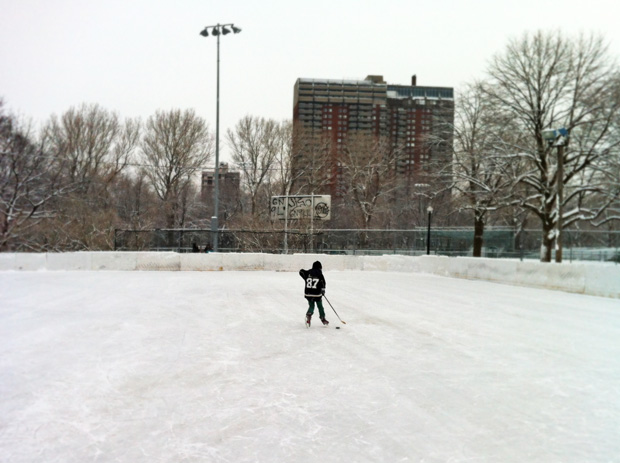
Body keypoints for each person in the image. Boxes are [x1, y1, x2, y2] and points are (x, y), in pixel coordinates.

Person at [299, 261, 328, 327]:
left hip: (308, 294)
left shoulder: (307, 273)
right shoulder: (320, 274)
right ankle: (322, 318)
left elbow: (301, 272)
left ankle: (309, 315)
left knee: (311, 306)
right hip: (317, 294)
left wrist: (306, 274)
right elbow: (323, 283)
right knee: (320, 306)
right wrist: (323, 291)